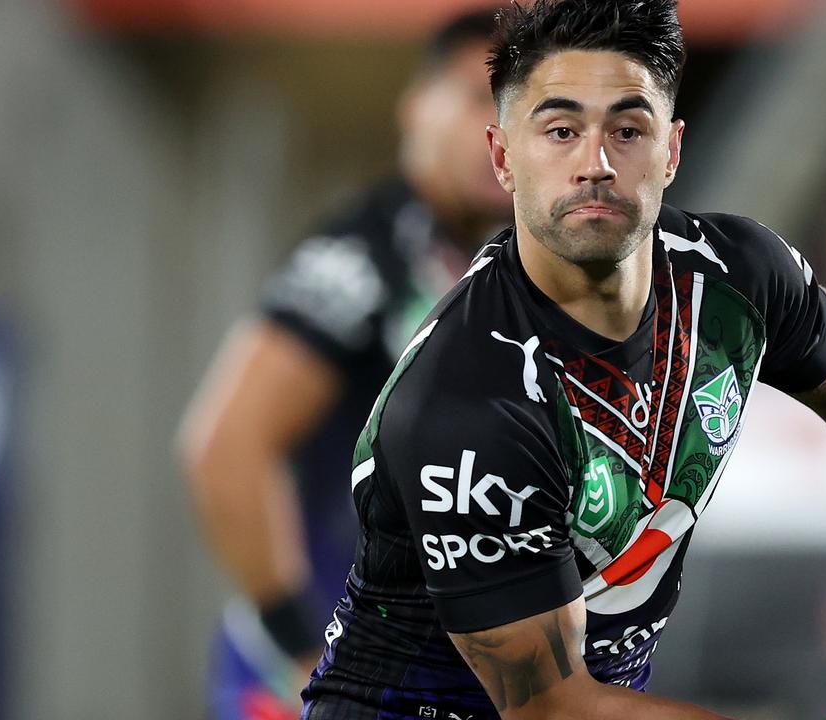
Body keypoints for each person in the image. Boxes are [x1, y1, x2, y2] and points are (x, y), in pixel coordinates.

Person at [300, 2, 826, 719]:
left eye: (629, 129)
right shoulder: (468, 403)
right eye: (560, 130)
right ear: (503, 156)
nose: (597, 162)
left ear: (672, 149)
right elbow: (550, 709)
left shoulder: (737, 277)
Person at [177, 10, 513, 719]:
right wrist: (304, 650)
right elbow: (224, 449)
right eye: (476, 99)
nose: (497, 131)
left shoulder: (507, 268)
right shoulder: (368, 256)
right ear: (416, 106)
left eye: (521, 107)